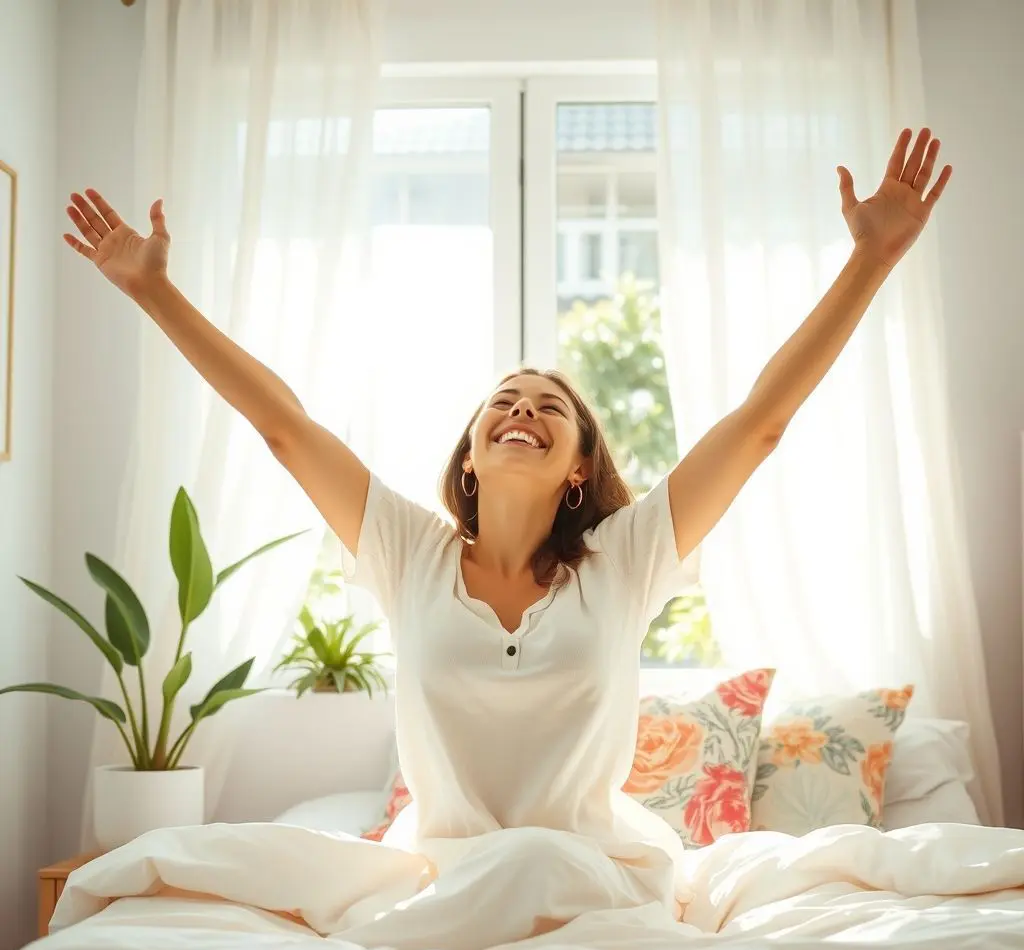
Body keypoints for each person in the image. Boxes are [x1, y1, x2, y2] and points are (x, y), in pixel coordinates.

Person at [63, 127, 951, 936]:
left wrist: (870, 261)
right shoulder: (408, 551)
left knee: (533, 855)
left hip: (592, 874)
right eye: (504, 401)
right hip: (439, 873)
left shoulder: (627, 558)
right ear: (472, 455)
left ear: (576, 466)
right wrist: (155, 294)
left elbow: (761, 420)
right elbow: (284, 426)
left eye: (549, 405)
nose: (522, 407)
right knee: (177, 863)